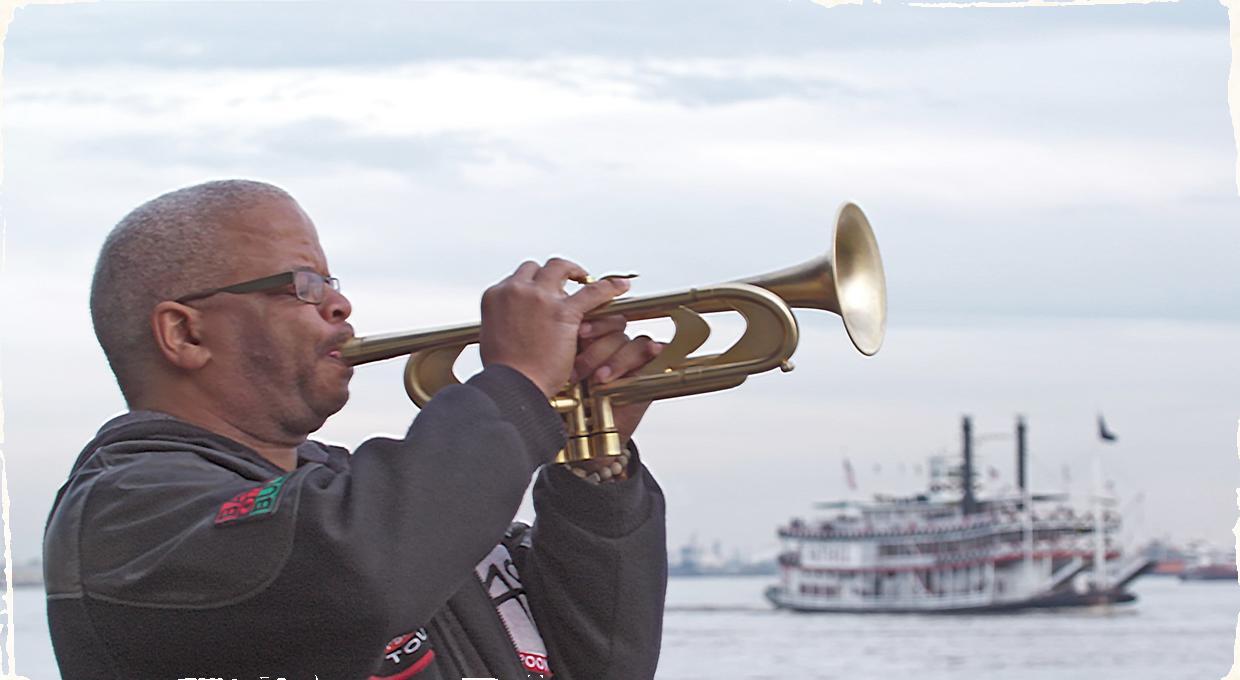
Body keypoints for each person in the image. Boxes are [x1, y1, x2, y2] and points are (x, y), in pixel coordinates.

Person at [43, 180, 669, 680]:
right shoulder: (128, 514)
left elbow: (604, 664)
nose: (340, 306)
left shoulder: (364, 498)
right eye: (303, 286)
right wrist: (518, 384)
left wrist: (592, 462)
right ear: (185, 333)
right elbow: (360, 569)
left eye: (332, 284)